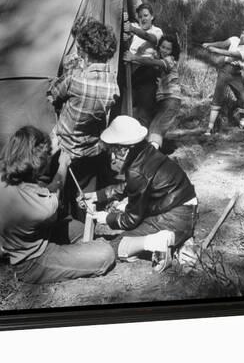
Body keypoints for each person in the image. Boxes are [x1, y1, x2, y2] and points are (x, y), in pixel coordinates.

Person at [0, 126, 115, 284]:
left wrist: (55, 142)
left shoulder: (5, 174)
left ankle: (8, 251)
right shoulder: (38, 208)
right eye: (44, 158)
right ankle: (26, 263)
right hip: (33, 260)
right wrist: (62, 165)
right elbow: (55, 188)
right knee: (105, 254)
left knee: (78, 228)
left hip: (38, 235)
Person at [84, 115, 198, 273]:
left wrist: (106, 218)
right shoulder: (146, 151)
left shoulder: (137, 171)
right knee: (134, 233)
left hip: (174, 216)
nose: (112, 156)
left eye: (114, 150)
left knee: (114, 247)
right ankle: (180, 239)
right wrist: (100, 195)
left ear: (124, 148)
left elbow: (130, 219)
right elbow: (133, 185)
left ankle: (157, 242)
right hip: (184, 208)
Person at [47, 19, 119, 219]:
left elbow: (53, 93)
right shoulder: (114, 86)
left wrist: (70, 71)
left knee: (56, 196)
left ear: (85, 53)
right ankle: (85, 233)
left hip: (64, 148)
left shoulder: (75, 80)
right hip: (91, 151)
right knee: (84, 199)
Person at [125, 34, 182, 149]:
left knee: (156, 130)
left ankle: (150, 159)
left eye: (168, 49)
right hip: (163, 101)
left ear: (172, 51)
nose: (164, 51)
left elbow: (155, 63)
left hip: (171, 100)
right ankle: (149, 157)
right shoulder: (161, 61)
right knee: (153, 128)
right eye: (163, 47)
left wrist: (134, 57)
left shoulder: (170, 60)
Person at [202, 26, 244, 135]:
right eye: (243, 33)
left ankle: (243, 122)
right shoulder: (234, 39)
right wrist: (210, 44)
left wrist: (214, 50)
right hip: (225, 70)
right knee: (217, 97)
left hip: (236, 74)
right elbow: (222, 43)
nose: (243, 36)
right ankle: (209, 128)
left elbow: (231, 54)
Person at [123, 3, 163, 128]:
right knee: (126, 111)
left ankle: (145, 144)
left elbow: (151, 38)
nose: (143, 19)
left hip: (147, 73)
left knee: (144, 113)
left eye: (146, 15)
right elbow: (124, 29)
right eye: (140, 16)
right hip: (131, 73)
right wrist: (124, 21)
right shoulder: (134, 26)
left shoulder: (156, 31)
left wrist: (133, 30)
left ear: (152, 16)